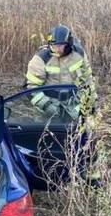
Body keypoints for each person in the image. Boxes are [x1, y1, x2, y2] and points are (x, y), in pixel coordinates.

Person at [25, 24, 100, 185]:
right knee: (44, 141)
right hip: (48, 106)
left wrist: (91, 102)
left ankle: (88, 176)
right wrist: (47, 106)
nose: (57, 49)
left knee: (85, 137)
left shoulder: (78, 53)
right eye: (54, 45)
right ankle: (42, 176)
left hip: (74, 105)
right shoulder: (41, 58)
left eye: (61, 45)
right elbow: (30, 88)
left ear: (69, 43)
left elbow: (87, 80)